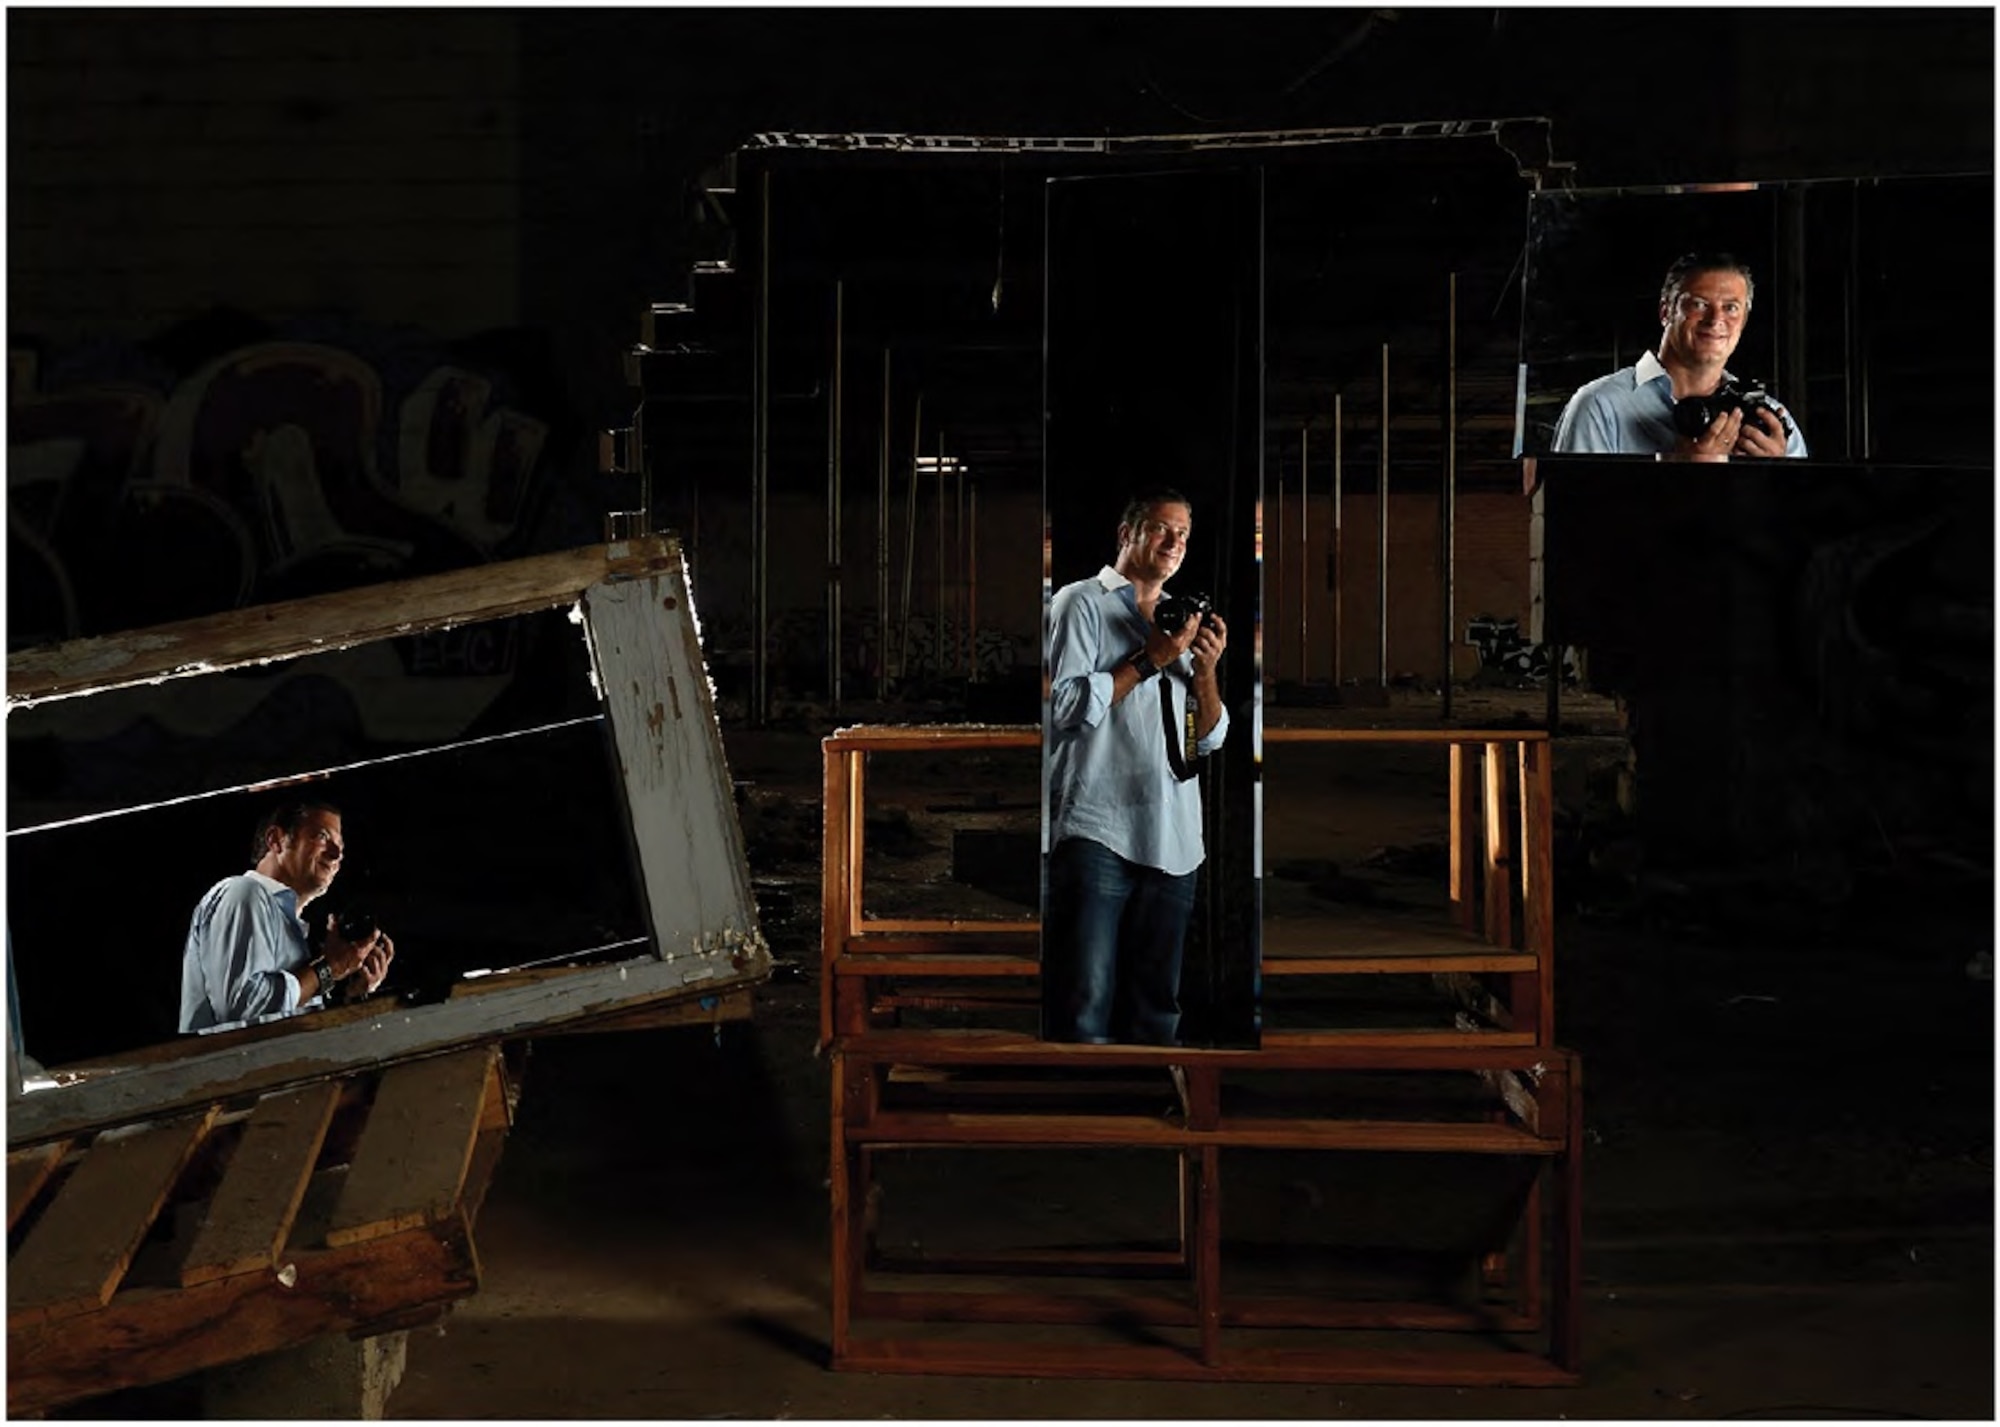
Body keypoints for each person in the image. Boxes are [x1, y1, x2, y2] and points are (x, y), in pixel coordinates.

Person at [1043, 489, 1229, 1045]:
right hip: (1099, 827)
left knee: (1157, 1005)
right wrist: (1151, 658)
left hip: (1173, 835)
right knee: (1085, 998)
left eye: (1184, 535)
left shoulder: (1180, 622)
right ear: (1128, 534)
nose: (1175, 543)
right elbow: (1069, 708)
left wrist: (1204, 673)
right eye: (1162, 529)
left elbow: (1208, 739)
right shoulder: (1081, 603)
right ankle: (1085, 1125)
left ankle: (1150, 1122)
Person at [1552, 252, 1809, 461]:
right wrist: (1680, 476)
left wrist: (1778, 479)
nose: (1716, 319)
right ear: (1665, 312)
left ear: (1743, 321)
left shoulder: (1771, 421)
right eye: (1698, 304)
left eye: (1731, 308)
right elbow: (1573, 518)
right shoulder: (1599, 407)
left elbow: (1804, 522)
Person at [179, 800, 394, 1034]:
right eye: (322, 836)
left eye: (340, 846)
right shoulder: (243, 893)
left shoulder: (289, 929)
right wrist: (329, 969)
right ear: (276, 839)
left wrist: (352, 995)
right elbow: (242, 1010)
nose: (336, 854)